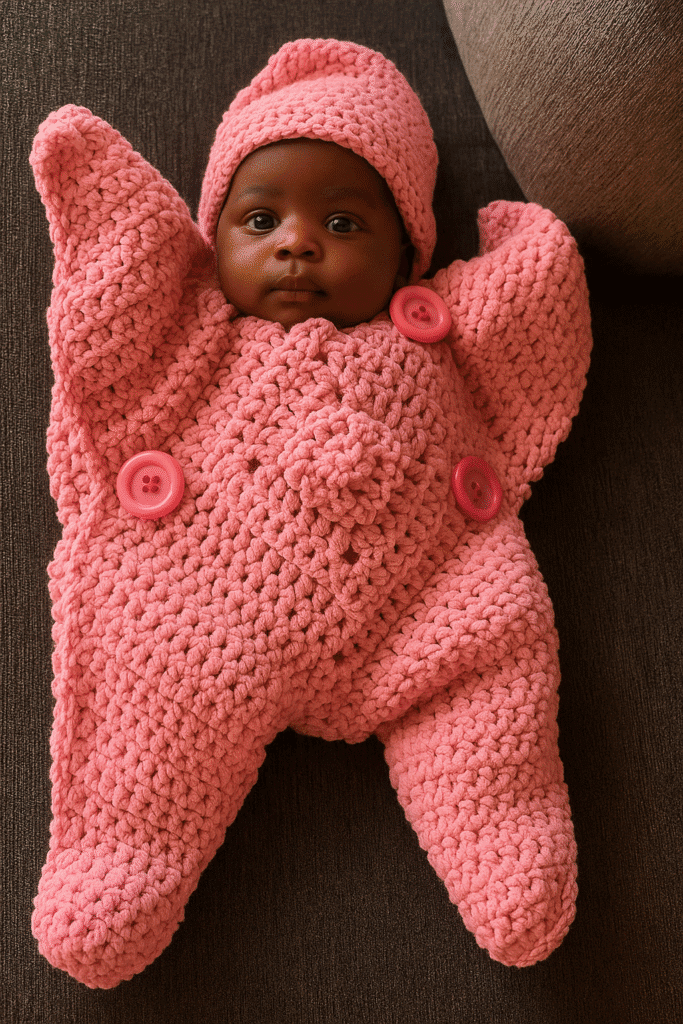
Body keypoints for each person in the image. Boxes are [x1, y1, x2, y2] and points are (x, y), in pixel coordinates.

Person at [29, 38, 591, 989]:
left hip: (433, 613)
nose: (297, 241)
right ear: (212, 245)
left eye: (341, 219)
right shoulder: (196, 335)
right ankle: (121, 859)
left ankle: (505, 845)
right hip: (206, 615)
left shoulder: (442, 339)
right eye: (261, 218)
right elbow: (118, 304)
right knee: (154, 686)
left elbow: (528, 302)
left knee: (500, 654)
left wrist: (527, 255)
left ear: (409, 251)